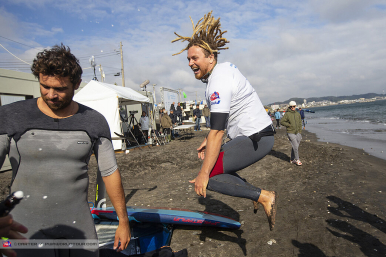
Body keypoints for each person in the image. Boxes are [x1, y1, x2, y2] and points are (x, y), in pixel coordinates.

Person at [0, 44, 130, 256]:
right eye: (44, 86)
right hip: (26, 229)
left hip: (79, 229)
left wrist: (123, 222)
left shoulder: (94, 121)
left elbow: (110, 172)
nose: (51, 95)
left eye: (60, 89)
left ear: (77, 84)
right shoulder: (10, 116)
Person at [172, 11, 277, 230]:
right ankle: (257, 195)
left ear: (210, 57)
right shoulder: (221, 73)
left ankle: (263, 196)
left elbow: (217, 131)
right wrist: (207, 141)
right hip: (255, 135)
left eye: (195, 58)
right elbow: (221, 124)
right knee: (215, 168)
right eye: (188, 59)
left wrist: (202, 173)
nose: (190, 63)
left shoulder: (218, 80)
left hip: (256, 137)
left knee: (208, 175)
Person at [281, 101, 303, 166]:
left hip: (297, 132)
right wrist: (289, 125)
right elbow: (282, 121)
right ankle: (297, 159)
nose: (293, 107)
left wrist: (300, 131)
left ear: (295, 106)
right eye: (291, 106)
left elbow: (300, 123)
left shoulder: (297, 114)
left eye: (294, 106)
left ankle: (292, 159)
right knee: (295, 146)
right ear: (289, 107)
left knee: (296, 146)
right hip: (290, 132)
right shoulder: (287, 114)